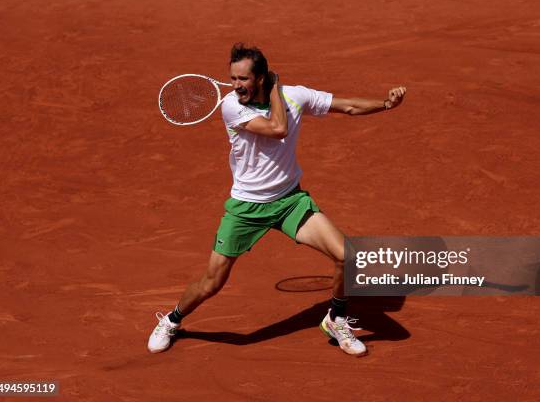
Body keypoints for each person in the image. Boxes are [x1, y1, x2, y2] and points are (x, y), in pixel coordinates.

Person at [148, 43, 406, 357]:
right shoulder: (231, 106)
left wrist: (385, 104)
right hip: (246, 208)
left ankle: (335, 319)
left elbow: (347, 106)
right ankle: (173, 320)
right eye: (232, 78)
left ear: (259, 79)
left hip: (289, 201)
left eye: (243, 79)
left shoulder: (295, 96)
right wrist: (276, 89)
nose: (235, 85)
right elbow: (278, 128)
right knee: (212, 282)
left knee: (346, 256)